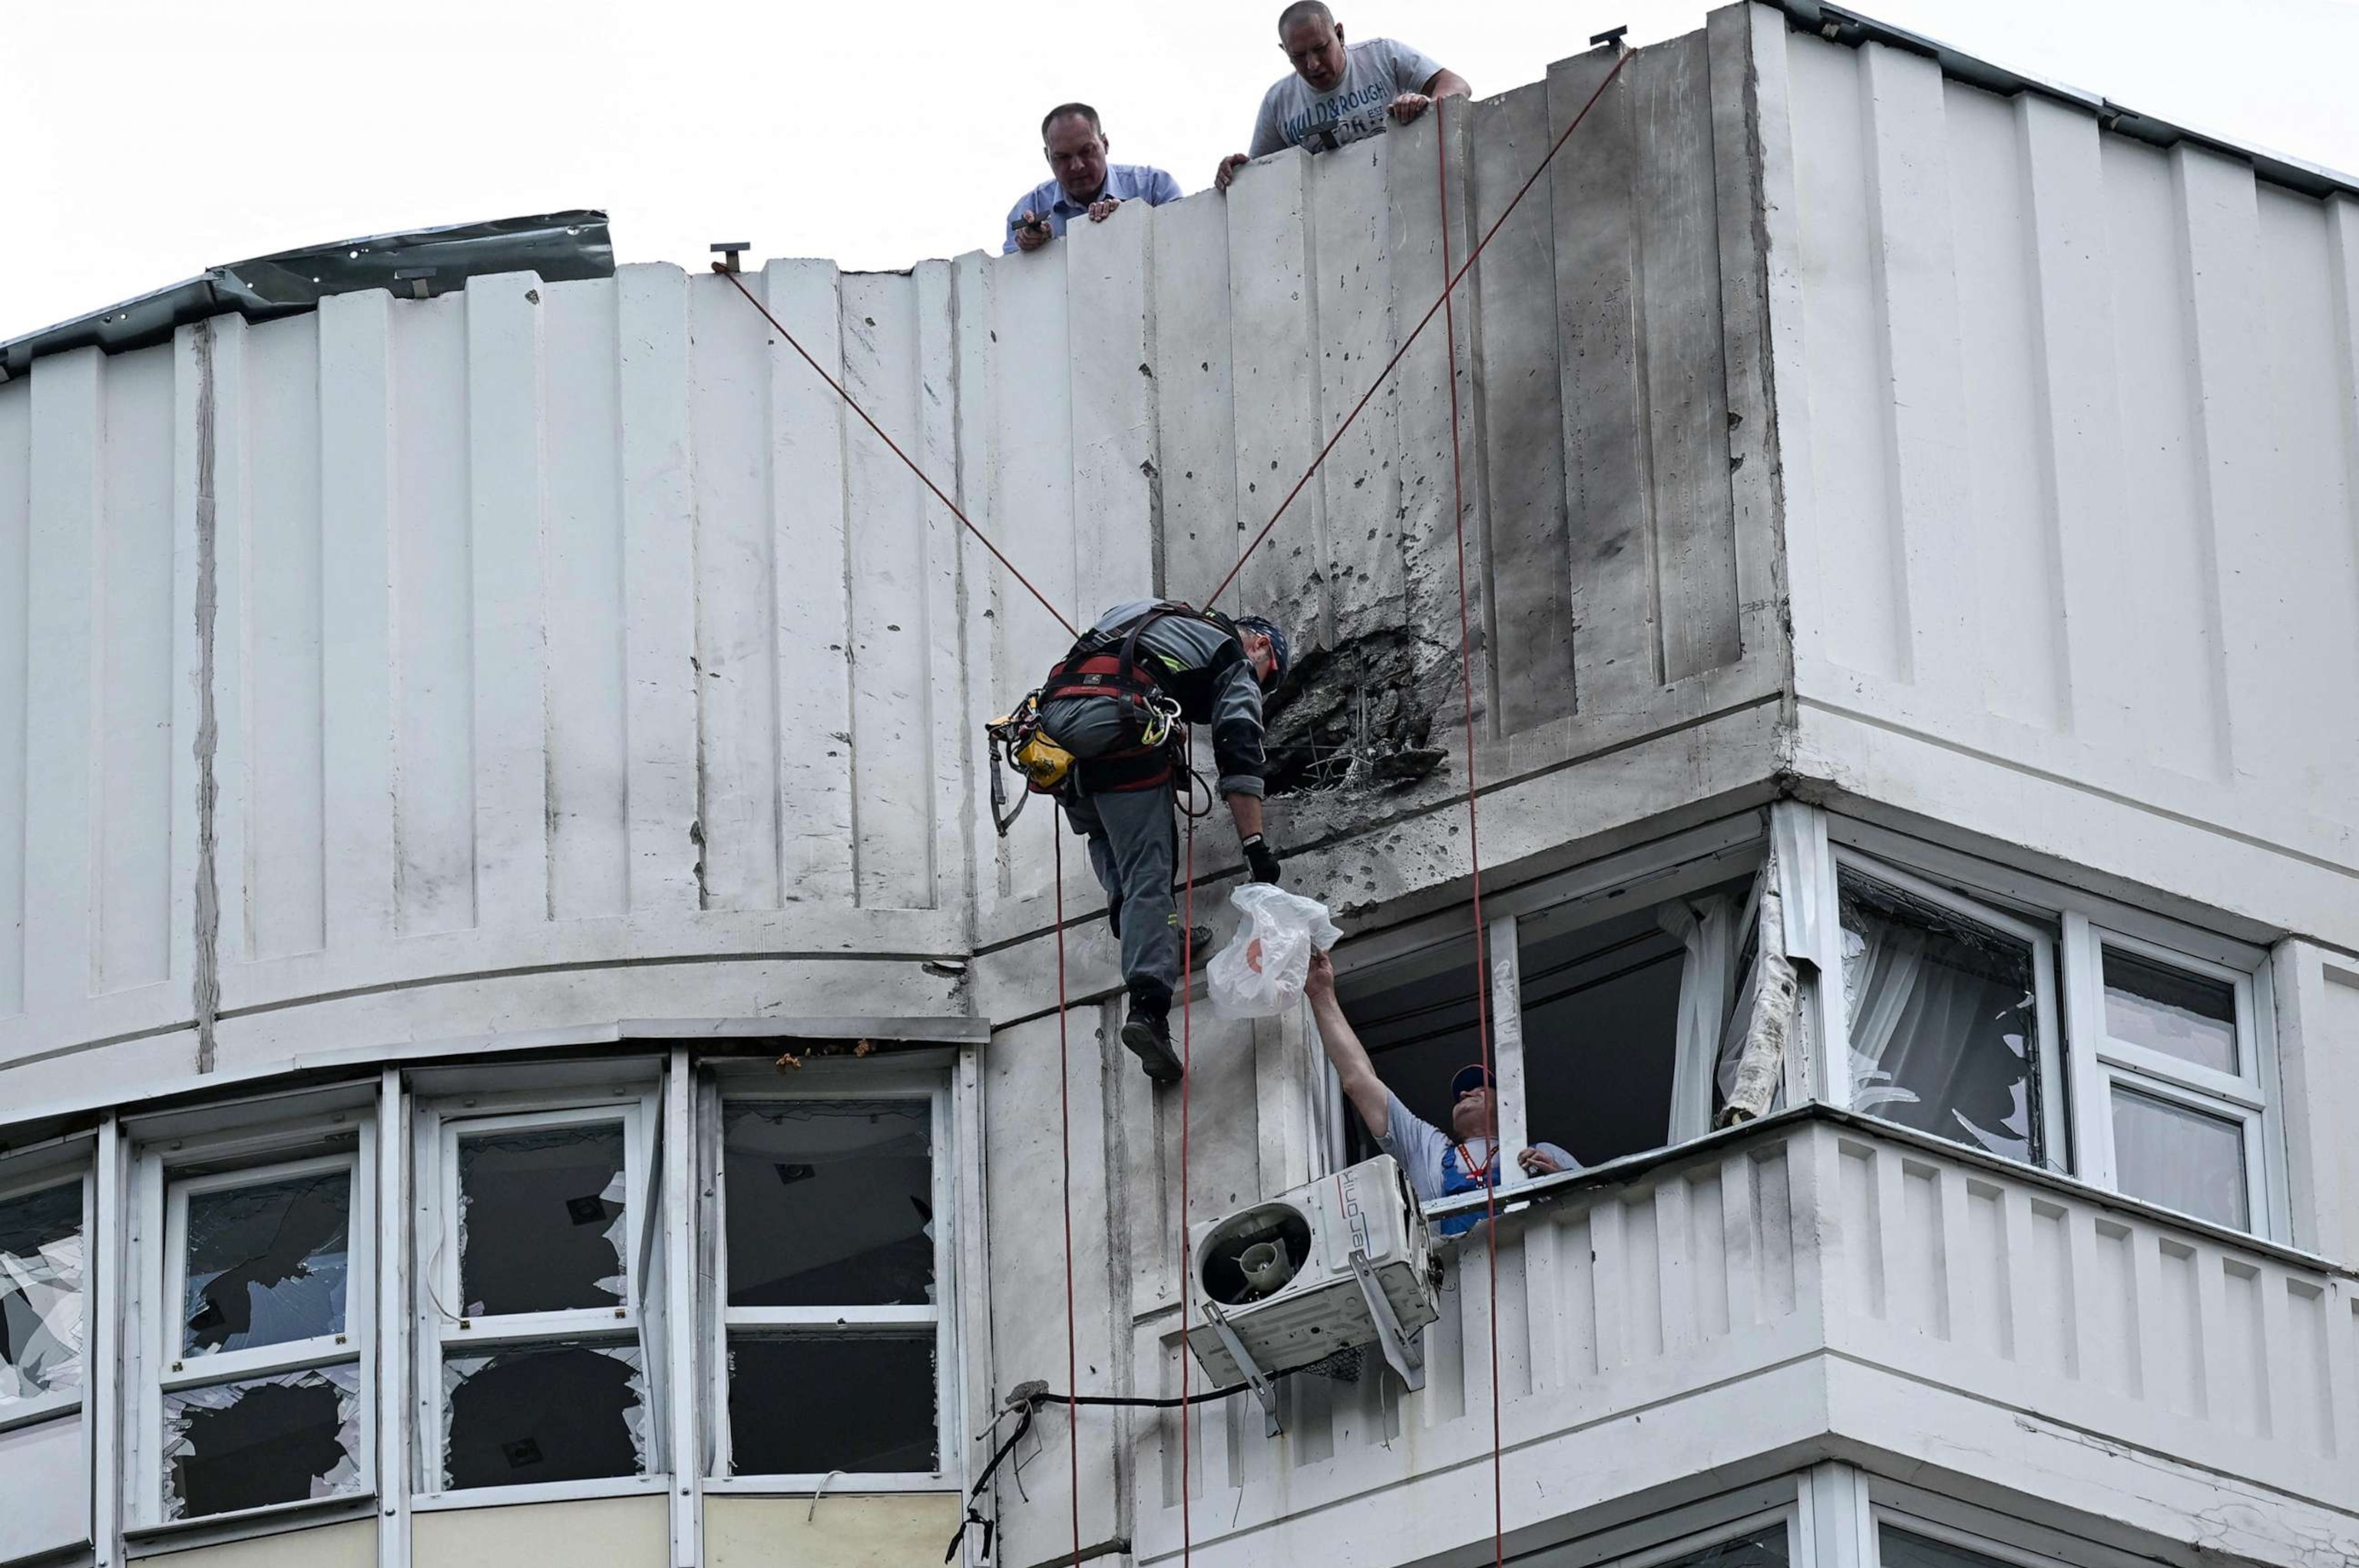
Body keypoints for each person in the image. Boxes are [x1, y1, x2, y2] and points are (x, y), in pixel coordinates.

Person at [1034, 601, 1290, 1083]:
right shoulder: (1234, 655)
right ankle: (1149, 1011)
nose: (1259, 688)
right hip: (1117, 722)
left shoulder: (1152, 616)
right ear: (1258, 644)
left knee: (1115, 850)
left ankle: (1159, 938)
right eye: (1266, 678)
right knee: (1150, 871)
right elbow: (1238, 750)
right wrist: (1255, 844)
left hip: (1054, 728)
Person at [1305, 949, 1577, 1236]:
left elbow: (1602, 1204)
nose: (1465, 1094)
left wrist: (1558, 1181)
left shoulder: (1543, 1154)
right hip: (1451, 1276)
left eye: (1480, 1087)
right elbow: (1359, 1081)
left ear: (1508, 1103)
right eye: (1461, 1093)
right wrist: (1322, 994)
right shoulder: (1428, 1149)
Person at [1215, 2, 1472, 191]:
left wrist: (1426, 106)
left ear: (1339, 34)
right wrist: (1234, 172)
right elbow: (1260, 176)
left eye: (1320, 48)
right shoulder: (1278, 102)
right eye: (1299, 56)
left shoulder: (1382, 55)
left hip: (1405, 189)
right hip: (1330, 223)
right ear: (1285, 52)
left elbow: (1456, 85)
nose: (1313, 64)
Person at [1006, 104, 1184, 254]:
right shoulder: (1029, 208)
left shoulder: (1154, 186)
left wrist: (1131, 219)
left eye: (1087, 151)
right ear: (1048, 157)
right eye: (1063, 157)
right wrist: (1033, 252)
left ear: (1105, 144)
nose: (1077, 166)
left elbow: (1184, 245)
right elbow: (1009, 281)